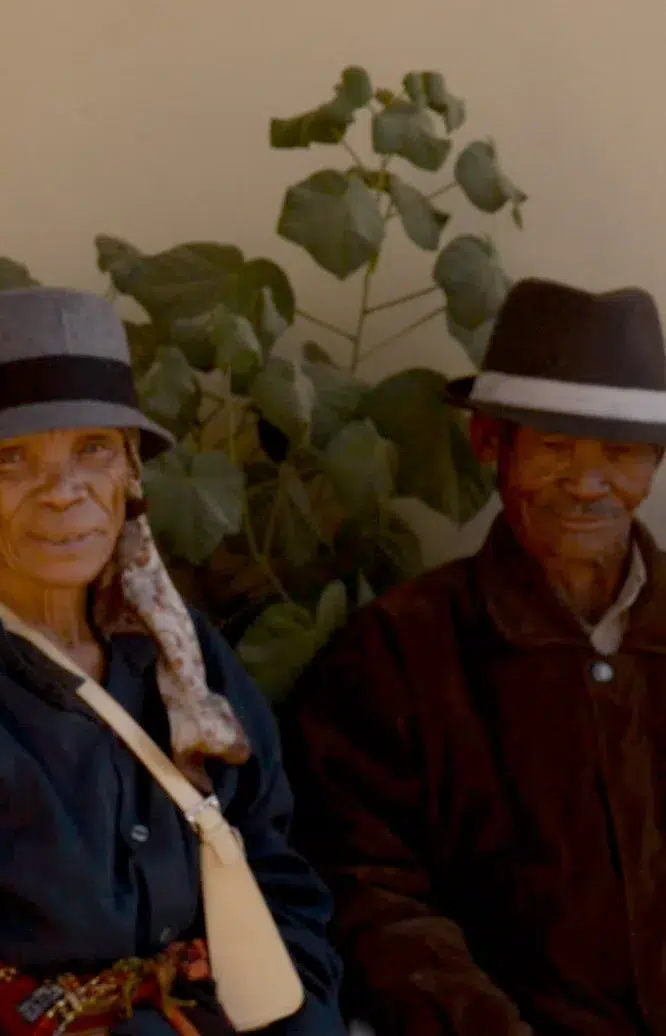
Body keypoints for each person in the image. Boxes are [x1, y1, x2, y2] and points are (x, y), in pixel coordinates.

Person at [0, 287, 346, 1035]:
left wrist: (299, 1016)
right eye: (16, 461)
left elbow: (276, 871)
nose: (65, 494)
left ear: (130, 474)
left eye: (93, 450)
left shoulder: (177, 653)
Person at [284, 278, 666, 1035]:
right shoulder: (394, 652)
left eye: (620, 454)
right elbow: (369, 892)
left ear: (654, 462)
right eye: (555, 448)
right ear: (490, 444)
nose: (587, 486)